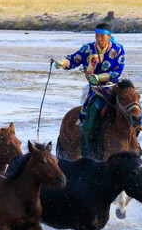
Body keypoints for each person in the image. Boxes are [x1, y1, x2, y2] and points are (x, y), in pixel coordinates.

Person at [52, 22, 125, 159]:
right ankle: (91, 151)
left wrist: (99, 76)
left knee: (134, 110)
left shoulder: (118, 49)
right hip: (97, 91)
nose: (99, 39)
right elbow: (74, 59)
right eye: (97, 35)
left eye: (102, 36)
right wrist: (62, 63)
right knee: (94, 113)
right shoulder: (88, 49)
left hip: (113, 88)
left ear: (109, 36)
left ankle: (134, 144)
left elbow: (117, 71)